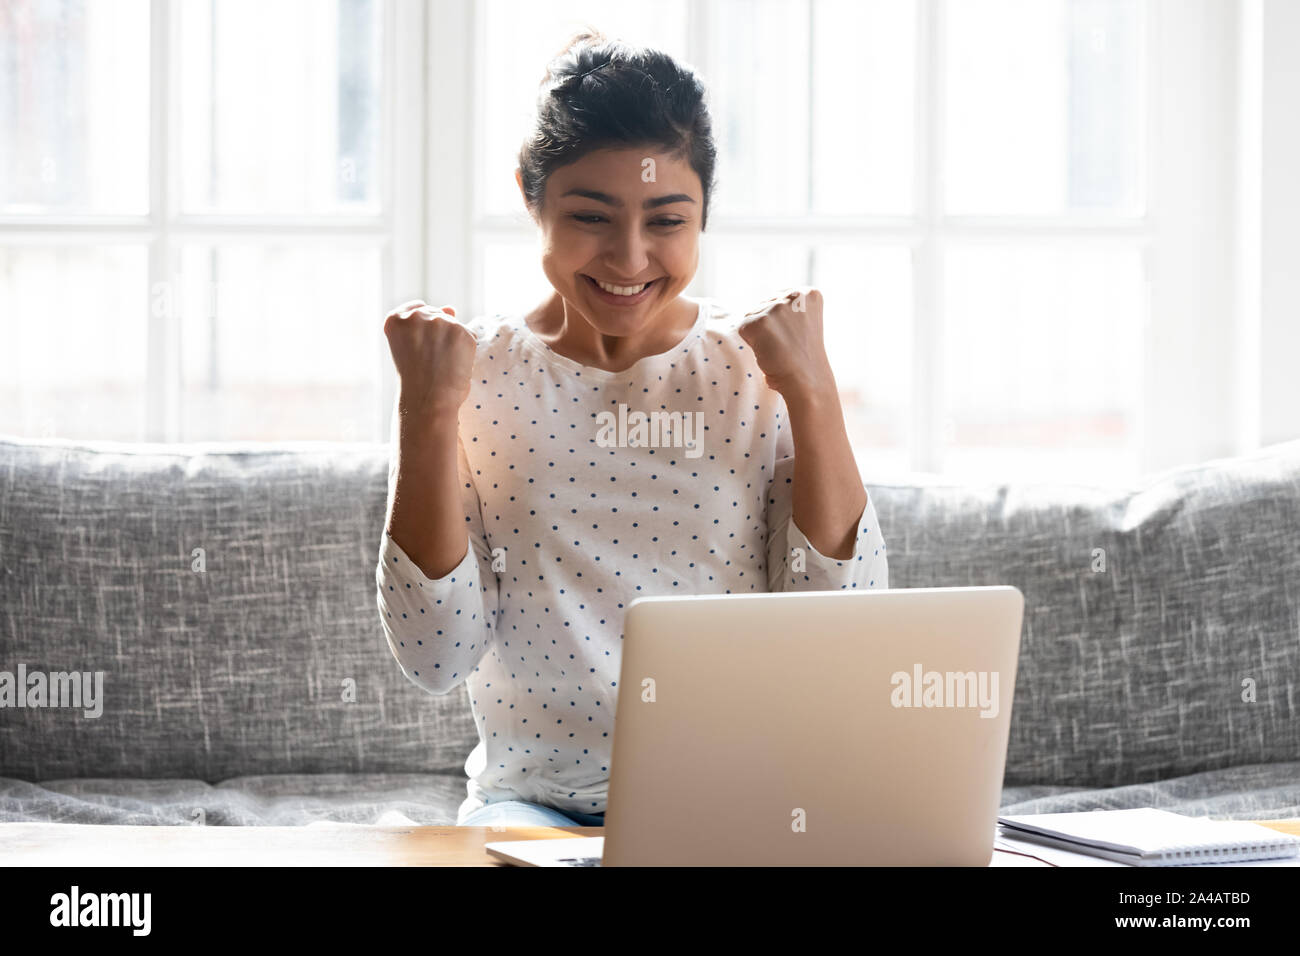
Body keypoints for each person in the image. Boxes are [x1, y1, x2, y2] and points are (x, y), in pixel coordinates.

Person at [375, 29, 888, 829]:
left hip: (740, 806)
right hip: (531, 810)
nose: (628, 256)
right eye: (591, 215)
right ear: (530, 196)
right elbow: (435, 656)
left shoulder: (758, 367)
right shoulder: (472, 377)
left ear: (704, 213)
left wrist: (814, 394)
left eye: (667, 219)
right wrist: (426, 413)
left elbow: (845, 626)